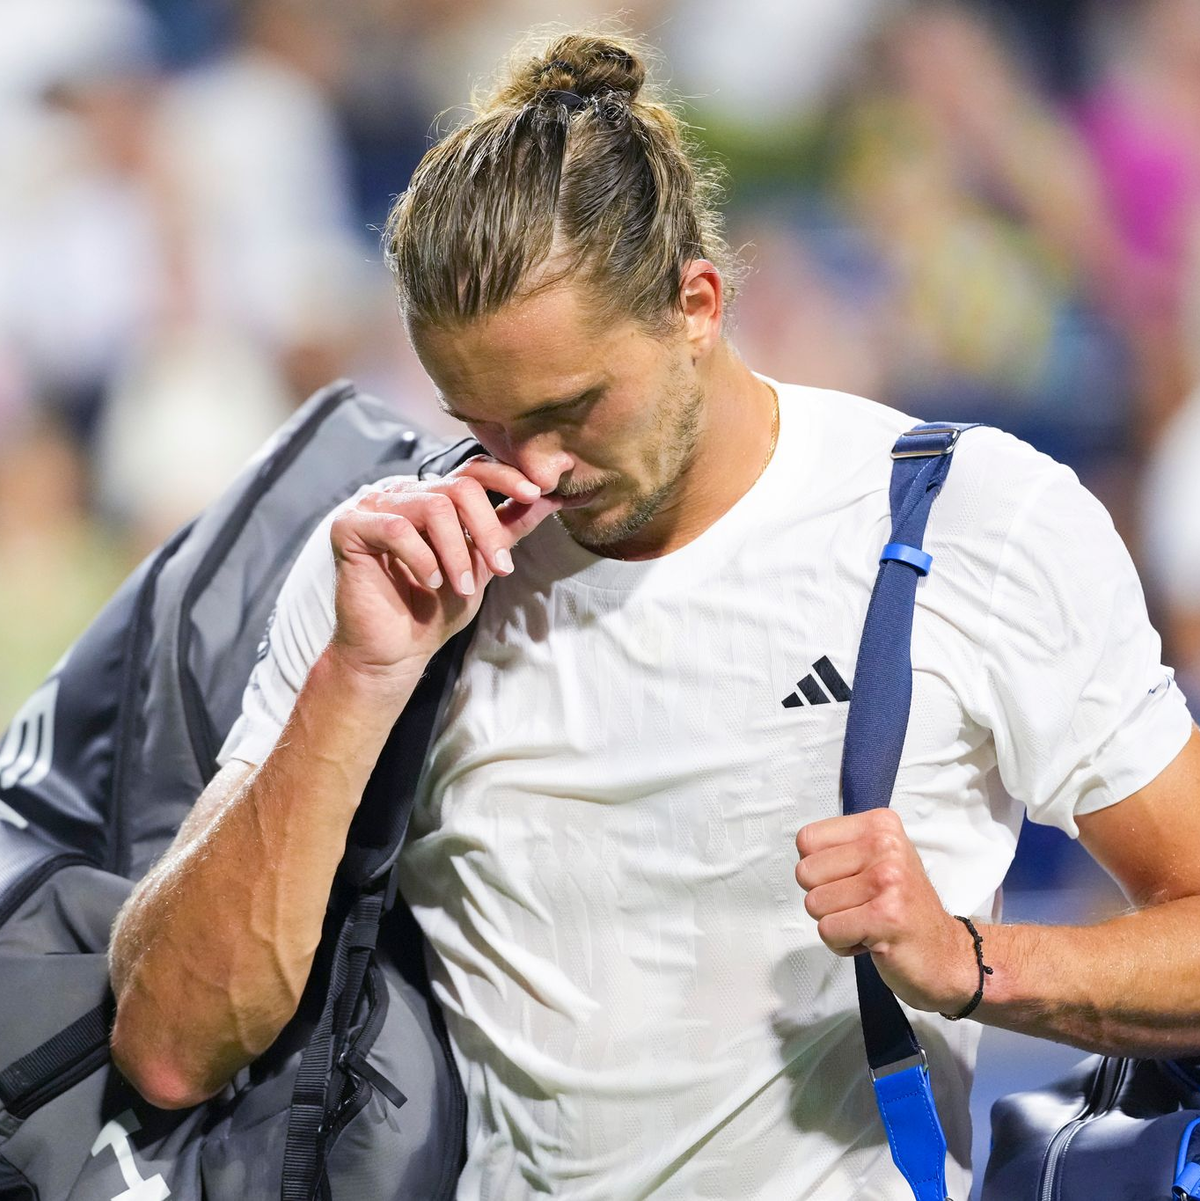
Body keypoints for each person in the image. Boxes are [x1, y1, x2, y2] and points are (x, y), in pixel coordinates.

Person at [106, 30, 1200, 1201]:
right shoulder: (389, 571)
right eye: (480, 417)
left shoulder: (976, 520)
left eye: (572, 407)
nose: (531, 471)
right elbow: (170, 1046)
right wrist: (357, 679)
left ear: (699, 303)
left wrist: (976, 962)